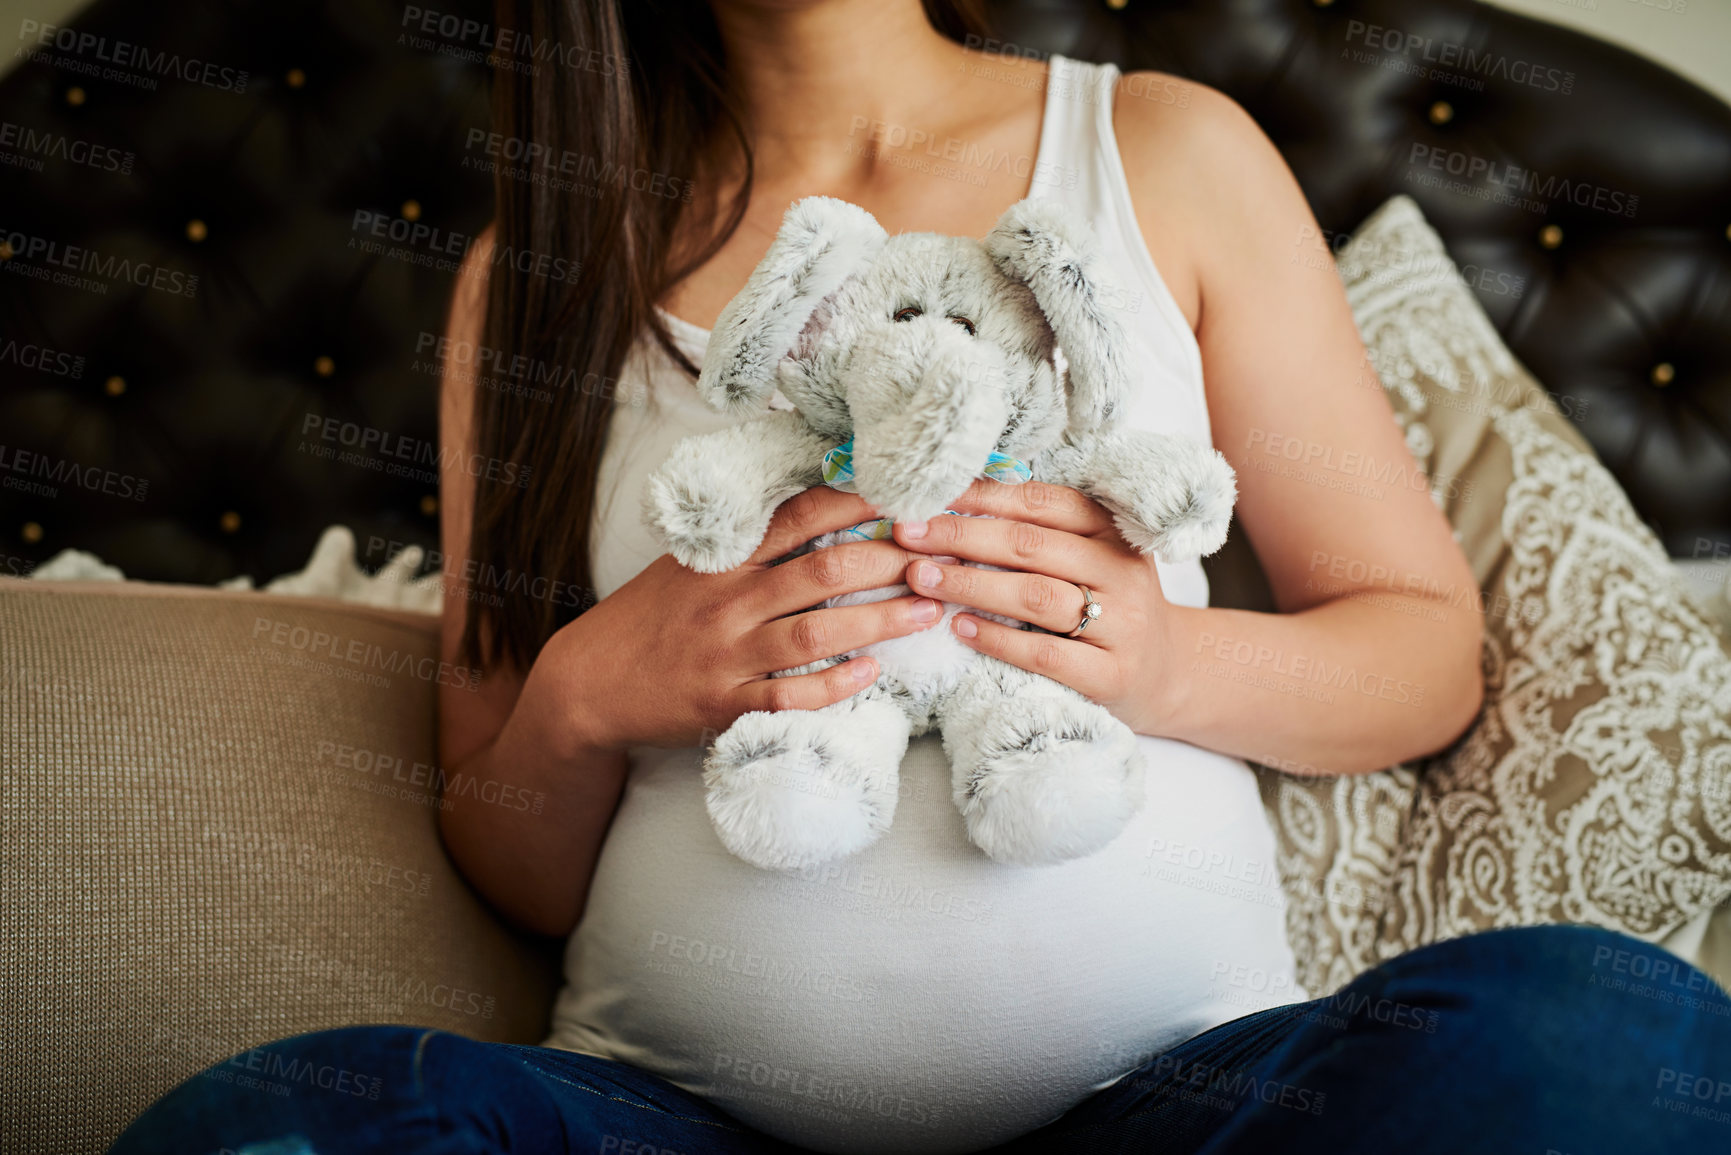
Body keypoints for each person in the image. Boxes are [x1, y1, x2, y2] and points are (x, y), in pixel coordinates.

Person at [111, 2, 1731, 1153]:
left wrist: (1167, 665)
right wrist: (595, 690)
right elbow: (508, 848)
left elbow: (1424, 653)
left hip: (1182, 1105)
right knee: (272, 1127)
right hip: (666, 1119)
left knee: (1603, 1031)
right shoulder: (532, 276)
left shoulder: (1163, 154)